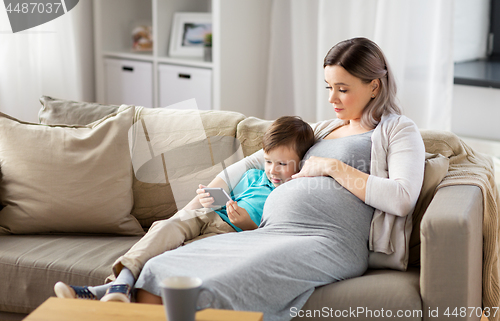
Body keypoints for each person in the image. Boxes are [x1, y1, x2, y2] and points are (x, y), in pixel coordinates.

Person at [129, 37, 425, 321]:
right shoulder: (323, 129)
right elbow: (254, 161)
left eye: (342, 89)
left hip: (324, 241)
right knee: (158, 272)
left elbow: (401, 198)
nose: (331, 98)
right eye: (328, 87)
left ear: (374, 86)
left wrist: (333, 166)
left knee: (211, 290)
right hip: (268, 232)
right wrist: (198, 202)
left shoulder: (398, 130)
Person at [54, 116, 316, 303]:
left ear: (300, 162)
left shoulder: (289, 193)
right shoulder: (253, 176)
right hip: (208, 216)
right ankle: (119, 284)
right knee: (164, 227)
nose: (273, 170)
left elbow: (276, 235)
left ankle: (105, 290)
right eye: (269, 161)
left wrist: (249, 224)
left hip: (229, 234)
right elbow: (225, 197)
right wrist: (208, 199)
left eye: (282, 164)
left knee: (170, 256)